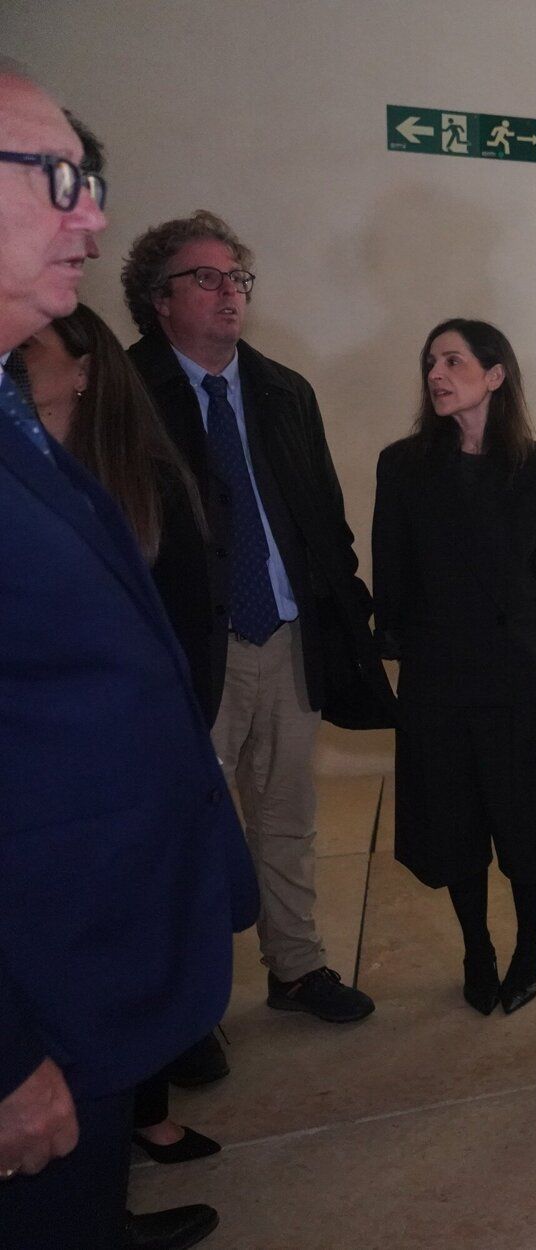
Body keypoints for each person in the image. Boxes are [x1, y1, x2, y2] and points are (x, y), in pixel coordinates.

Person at [0, 62, 256, 1249]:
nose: (92, 213)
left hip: (82, 959)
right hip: (32, 999)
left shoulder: (19, 418)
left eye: (90, 181)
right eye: (57, 178)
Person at [124, 210, 391, 1026]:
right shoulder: (127, 395)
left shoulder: (283, 391)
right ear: (157, 300)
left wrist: (341, 616)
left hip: (285, 636)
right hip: (188, 652)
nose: (228, 293)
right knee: (184, 836)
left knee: (287, 819)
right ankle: (187, 1009)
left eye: (236, 278)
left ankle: (297, 967)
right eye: (203, 278)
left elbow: (324, 520)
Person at [17, 304, 226, 1179]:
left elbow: (181, 622)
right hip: (55, 800)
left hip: (135, 776)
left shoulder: (129, 477)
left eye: (31, 351)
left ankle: (140, 1116)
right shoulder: (24, 467)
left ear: (82, 370)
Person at [373, 319, 536, 1016]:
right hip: (440, 678)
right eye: (429, 362)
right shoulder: (403, 465)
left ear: (495, 375)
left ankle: (529, 945)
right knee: (454, 825)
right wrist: (398, 656)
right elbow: (392, 569)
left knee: (528, 824)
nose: (436, 374)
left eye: (453, 360)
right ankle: (477, 948)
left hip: (523, 674)